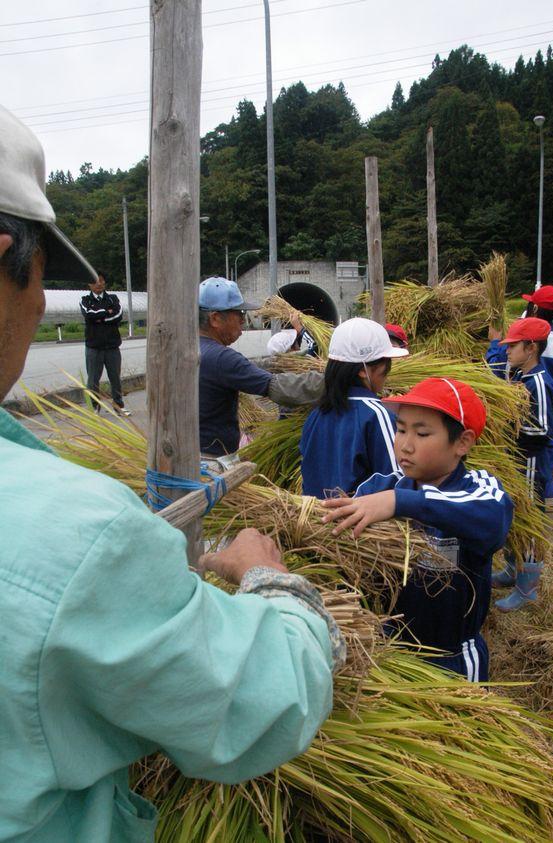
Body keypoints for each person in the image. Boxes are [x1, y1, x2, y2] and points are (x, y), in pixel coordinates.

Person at [0, 104, 344, 842]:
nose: (36, 300)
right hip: (208, 467)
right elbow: (255, 697)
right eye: (37, 274)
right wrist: (276, 584)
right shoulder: (74, 535)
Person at [321, 377, 513, 682]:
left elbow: (492, 520)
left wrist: (400, 503)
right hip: (391, 650)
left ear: (462, 443)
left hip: (452, 659)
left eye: (422, 433)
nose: (405, 445)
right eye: (400, 429)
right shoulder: (379, 486)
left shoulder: (479, 489)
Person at [199, 276, 325, 457]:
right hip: (209, 462)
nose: (243, 320)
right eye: (239, 314)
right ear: (216, 318)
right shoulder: (222, 358)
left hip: (183, 457)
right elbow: (280, 388)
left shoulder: (189, 351)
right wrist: (336, 379)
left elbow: (247, 368)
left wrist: (281, 362)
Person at [490, 318, 553, 611]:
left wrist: (507, 427)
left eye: (512, 346)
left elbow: (544, 430)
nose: (506, 351)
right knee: (513, 516)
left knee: (528, 522)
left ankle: (527, 588)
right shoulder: (519, 377)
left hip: (531, 464)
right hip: (516, 463)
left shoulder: (539, 383)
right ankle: (511, 569)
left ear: (531, 348)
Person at [299, 318, 408, 498]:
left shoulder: (316, 415)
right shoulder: (377, 414)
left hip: (317, 519)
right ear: (363, 370)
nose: (387, 373)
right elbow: (398, 480)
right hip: (360, 523)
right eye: (385, 364)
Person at [486, 285, 553, 387]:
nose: (509, 350)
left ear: (535, 308)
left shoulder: (521, 340)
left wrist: (494, 342)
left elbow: (495, 371)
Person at [79, 271, 131, 416]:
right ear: (89, 284)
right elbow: (89, 315)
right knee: (93, 380)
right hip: (93, 347)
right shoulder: (85, 300)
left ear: (104, 282)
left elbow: (118, 315)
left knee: (115, 378)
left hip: (112, 346)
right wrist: (106, 313)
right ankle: (94, 407)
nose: (99, 284)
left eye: (101, 281)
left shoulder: (112, 298)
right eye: (95, 282)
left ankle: (118, 405)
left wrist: (100, 317)